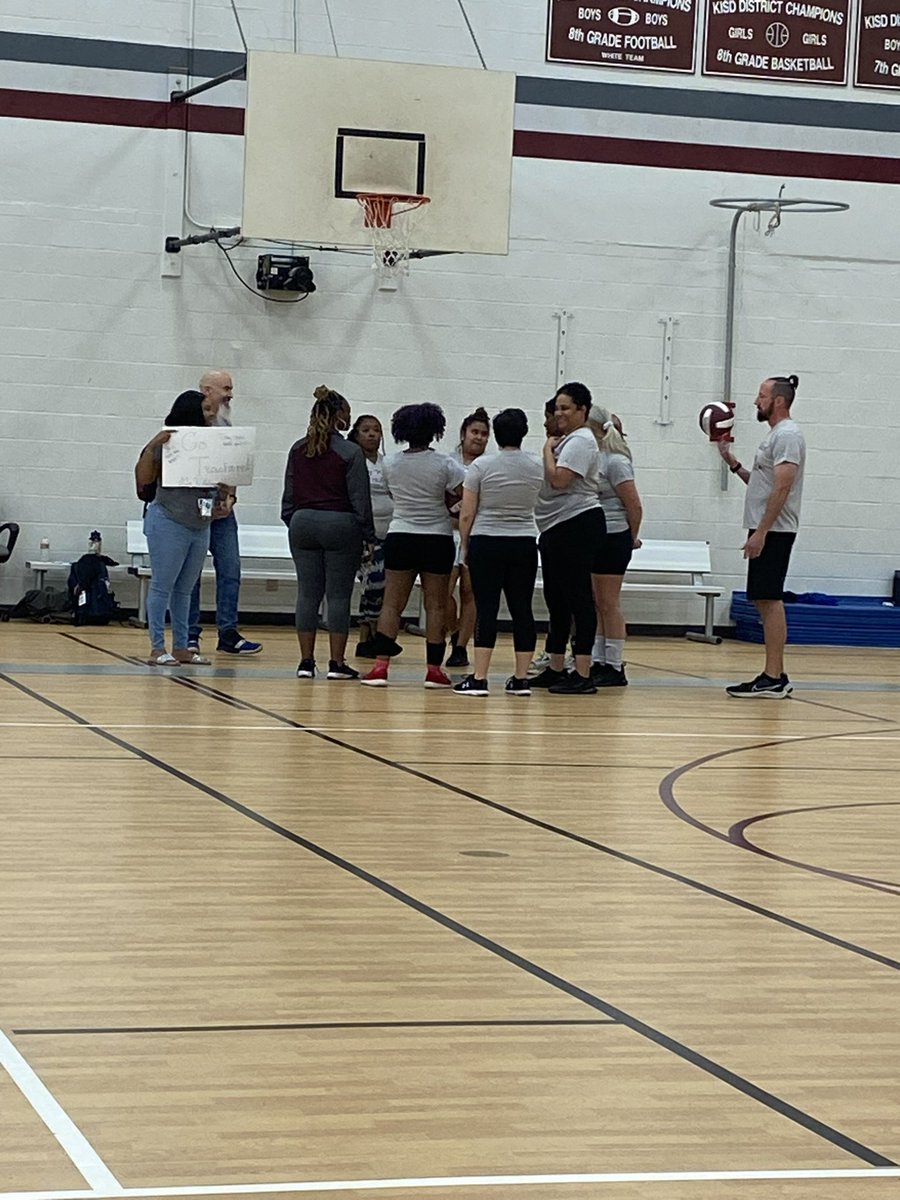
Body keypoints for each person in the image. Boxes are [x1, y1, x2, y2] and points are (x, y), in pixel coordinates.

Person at [360, 403, 465, 689]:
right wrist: (449, 507)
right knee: (436, 606)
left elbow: (393, 494)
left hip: (401, 534)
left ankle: (380, 667)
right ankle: (434, 670)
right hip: (437, 537)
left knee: (392, 603)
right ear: (435, 430)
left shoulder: (390, 463)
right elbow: (464, 495)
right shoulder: (446, 464)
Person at [718, 375, 805, 698]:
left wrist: (763, 532)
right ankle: (775, 673)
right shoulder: (776, 437)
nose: (757, 401)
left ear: (778, 401)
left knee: (769, 598)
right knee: (762, 597)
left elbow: (783, 487)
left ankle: (774, 676)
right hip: (767, 527)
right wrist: (732, 462)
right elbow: (762, 484)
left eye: (762, 395)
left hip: (776, 529)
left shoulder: (788, 436)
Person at [281, 386, 374, 680]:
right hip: (340, 523)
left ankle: (306, 662)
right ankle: (336, 663)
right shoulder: (350, 452)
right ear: (339, 417)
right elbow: (360, 498)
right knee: (337, 596)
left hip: (302, 523)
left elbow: (289, 495)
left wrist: (295, 520)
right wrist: (368, 536)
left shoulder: (298, 448)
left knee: (307, 594)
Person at [453, 408, 544, 697]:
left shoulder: (481, 466)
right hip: (524, 542)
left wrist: (465, 545)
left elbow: (467, 513)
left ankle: (479, 678)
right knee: (522, 609)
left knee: (487, 607)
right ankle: (520, 679)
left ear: (495, 434)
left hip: (486, 541)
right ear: (523, 433)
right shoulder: (537, 465)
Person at [135, 390, 219, 666]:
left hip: (200, 522)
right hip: (169, 520)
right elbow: (144, 478)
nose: (212, 414)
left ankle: (182, 645)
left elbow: (224, 477)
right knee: (162, 585)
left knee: (186, 588)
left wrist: (228, 496)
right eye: (206, 410)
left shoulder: (214, 441)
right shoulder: (168, 440)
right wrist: (151, 446)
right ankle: (157, 647)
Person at [532, 382, 606, 695]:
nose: (560, 413)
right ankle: (556, 667)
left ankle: (584, 672)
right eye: (557, 407)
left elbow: (560, 479)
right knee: (556, 600)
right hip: (555, 526)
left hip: (577, 523)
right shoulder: (568, 440)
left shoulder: (581, 440)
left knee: (578, 599)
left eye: (566, 408)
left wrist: (546, 451)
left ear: (582, 411)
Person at [187, 369, 262, 656]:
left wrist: (230, 496)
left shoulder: (227, 422)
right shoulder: (190, 426)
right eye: (226, 388)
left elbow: (232, 467)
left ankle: (228, 632)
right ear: (207, 390)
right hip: (196, 506)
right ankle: (190, 633)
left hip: (222, 506)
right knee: (192, 573)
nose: (231, 393)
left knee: (230, 570)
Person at [588, 407, 643, 687]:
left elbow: (634, 504)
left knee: (609, 603)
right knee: (598, 603)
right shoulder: (594, 458)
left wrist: (631, 537)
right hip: (596, 535)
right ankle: (599, 660)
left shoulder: (616, 461)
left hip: (614, 535)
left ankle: (614, 664)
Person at [445, 406, 490, 668]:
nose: (479, 437)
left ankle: (461, 646)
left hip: (476, 535)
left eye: (484, 434)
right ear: (463, 434)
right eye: (475, 432)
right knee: (443, 592)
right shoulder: (448, 463)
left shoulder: (489, 466)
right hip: (449, 534)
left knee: (470, 592)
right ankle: (453, 632)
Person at [347, 415, 393, 658]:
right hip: (366, 534)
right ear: (356, 434)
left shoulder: (387, 463)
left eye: (376, 430)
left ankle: (366, 634)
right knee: (374, 582)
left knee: (379, 587)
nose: (372, 434)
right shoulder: (354, 461)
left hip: (389, 531)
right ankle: (370, 629)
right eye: (366, 430)